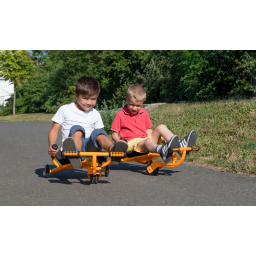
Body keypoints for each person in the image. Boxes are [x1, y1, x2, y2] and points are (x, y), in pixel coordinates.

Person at [48, 75, 128, 168]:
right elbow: (54, 130)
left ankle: (113, 150)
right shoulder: (65, 109)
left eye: (93, 99)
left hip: (90, 149)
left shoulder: (95, 113)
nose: (89, 102)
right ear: (76, 95)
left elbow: (100, 137)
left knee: (98, 132)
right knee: (77, 129)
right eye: (85, 98)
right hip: (70, 150)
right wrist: (52, 145)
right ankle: (75, 154)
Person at [111, 84, 197, 163]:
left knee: (161, 127)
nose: (134, 108)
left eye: (138, 106)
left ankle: (180, 146)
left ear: (143, 101)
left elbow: (148, 130)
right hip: (131, 143)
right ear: (126, 99)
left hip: (145, 139)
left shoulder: (143, 113)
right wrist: (119, 143)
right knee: (147, 141)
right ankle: (161, 150)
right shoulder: (120, 115)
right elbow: (114, 134)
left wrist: (161, 137)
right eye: (131, 104)